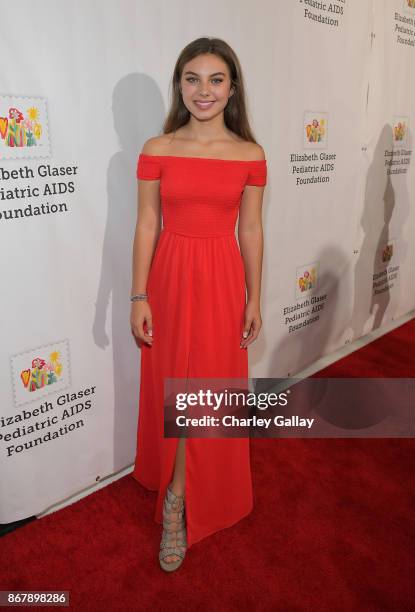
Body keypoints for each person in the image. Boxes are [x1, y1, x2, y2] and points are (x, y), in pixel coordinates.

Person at [130, 37, 267, 572]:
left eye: (215, 80)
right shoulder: (157, 147)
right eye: (192, 78)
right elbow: (146, 224)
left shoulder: (250, 154)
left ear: (232, 88)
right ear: (179, 85)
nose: (203, 90)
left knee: (206, 390)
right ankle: (175, 495)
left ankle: (180, 499)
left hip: (221, 276)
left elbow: (252, 229)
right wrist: (138, 293)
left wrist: (255, 294)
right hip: (168, 273)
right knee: (172, 387)